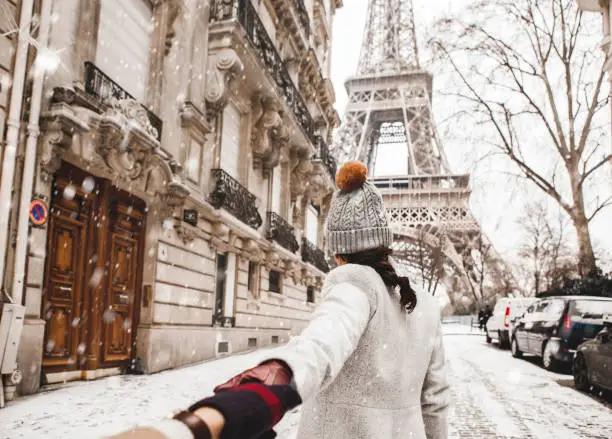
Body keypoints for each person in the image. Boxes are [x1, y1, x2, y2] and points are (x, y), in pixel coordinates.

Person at [110, 161, 450, 439]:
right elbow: (434, 402)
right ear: (383, 243)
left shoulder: (355, 282)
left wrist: (257, 390)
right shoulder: (425, 305)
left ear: (337, 251)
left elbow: (321, 345)